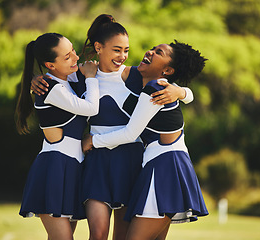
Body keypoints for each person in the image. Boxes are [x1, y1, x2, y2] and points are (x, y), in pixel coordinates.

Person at [31, 14, 194, 240]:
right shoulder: (82, 76)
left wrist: (182, 92)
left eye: (126, 50)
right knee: (98, 234)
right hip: (96, 161)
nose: (123, 56)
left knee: (122, 236)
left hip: (131, 160)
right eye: (117, 50)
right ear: (99, 47)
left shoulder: (137, 75)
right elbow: (57, 81)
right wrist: (37, 79)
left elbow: (170, 82)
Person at [82, 40, 209, 240]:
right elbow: (187, 96)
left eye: (159, 52)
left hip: (165, 168)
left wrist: (93, 140)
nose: (150, 52)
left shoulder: (155, 88)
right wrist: (182, 92)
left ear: (167, 70)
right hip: (163, 166)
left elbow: (130, 133)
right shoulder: (157, 86)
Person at [15, 32, 99, 240]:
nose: (75, 58)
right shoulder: (50, 88)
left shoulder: (67, 81)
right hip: (54, 168)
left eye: (72, 51)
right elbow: (91, 108)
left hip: (73, 167)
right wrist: (90, 78)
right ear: (50, 65)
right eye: (67, 56)